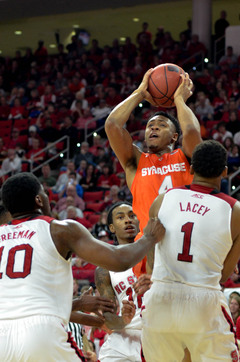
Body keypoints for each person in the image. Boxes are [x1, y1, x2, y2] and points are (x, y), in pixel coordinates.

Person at [0, 172, 164, 361]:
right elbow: (120, 260)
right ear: (39, 200)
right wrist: (150, 237)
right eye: (44, 194)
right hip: (41, 330)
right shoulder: (59, 229)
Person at [141, 140, 240, 361]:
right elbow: (224, 275)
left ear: (191, 169)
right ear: (225, 171)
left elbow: (150, 253)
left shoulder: (162, 200)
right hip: (203, 301)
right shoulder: (235, 210)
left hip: (160, 298)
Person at [105, 68, 202, 277]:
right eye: (150, 126)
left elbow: (192, 131)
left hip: (186, 242)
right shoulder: (135, 161)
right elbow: (112, 124)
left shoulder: (185, 157)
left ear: (174, 136)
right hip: (148, 247)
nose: (153, 129)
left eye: (161, 125)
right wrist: (140, 92)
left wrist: (179, 100)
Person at [95, 202, 144, 361]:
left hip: (153, 334)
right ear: (112, 228)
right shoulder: (104, 268)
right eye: (120, 217)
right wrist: (123, 320)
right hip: (121, 339)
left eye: (132, 216)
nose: (128, 220)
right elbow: (109, 319)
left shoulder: (154, 254)